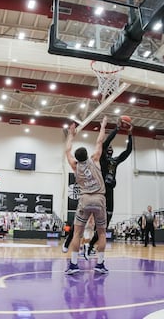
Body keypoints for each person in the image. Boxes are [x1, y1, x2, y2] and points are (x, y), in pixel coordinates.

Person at [63, 117, 133, 256]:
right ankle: (68, 242)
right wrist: (115, 128)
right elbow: (102, 142)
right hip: (99, 193)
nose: (110, 149)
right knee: (84, 227)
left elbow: (127, 151)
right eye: (109, 148)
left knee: (99, 227)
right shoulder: (98, 159)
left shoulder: (113, 161)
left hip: (105, 193)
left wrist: (130, 135)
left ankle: (89, 246)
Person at [64, 117, 108, 274]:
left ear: (77, 158)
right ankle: (100, 264)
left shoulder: (74, 165)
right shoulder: (95, 159)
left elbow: (67, 150)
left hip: (84, 199)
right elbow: (99, 141)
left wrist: (71, 135)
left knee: (77, 233)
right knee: (101, 233)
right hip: (99, 199)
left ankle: (74, 265)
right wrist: (102, 126)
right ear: (87, 155)